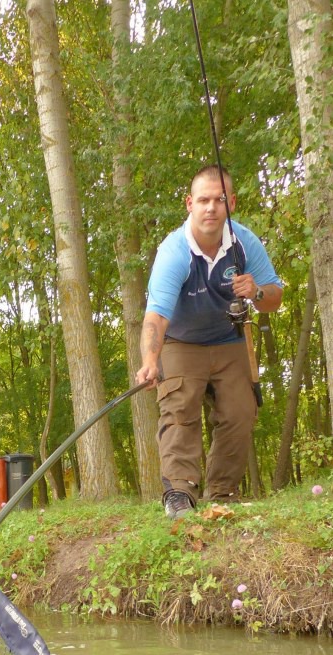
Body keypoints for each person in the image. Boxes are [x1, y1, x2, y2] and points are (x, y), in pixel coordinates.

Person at [135, 165, 283, 519]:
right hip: (181, 342)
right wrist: (151, 361)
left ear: (231, 202)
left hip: (229, 338)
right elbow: (156, 316)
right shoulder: (174, 251)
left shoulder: (245, 243)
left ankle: (223, 492)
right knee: (179, 409)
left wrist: (257, 291)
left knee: (240, 411)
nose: (211, 208)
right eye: (203, 200)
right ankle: (179, 495)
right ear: (190, 203)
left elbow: (275, 298)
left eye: (219, 200)